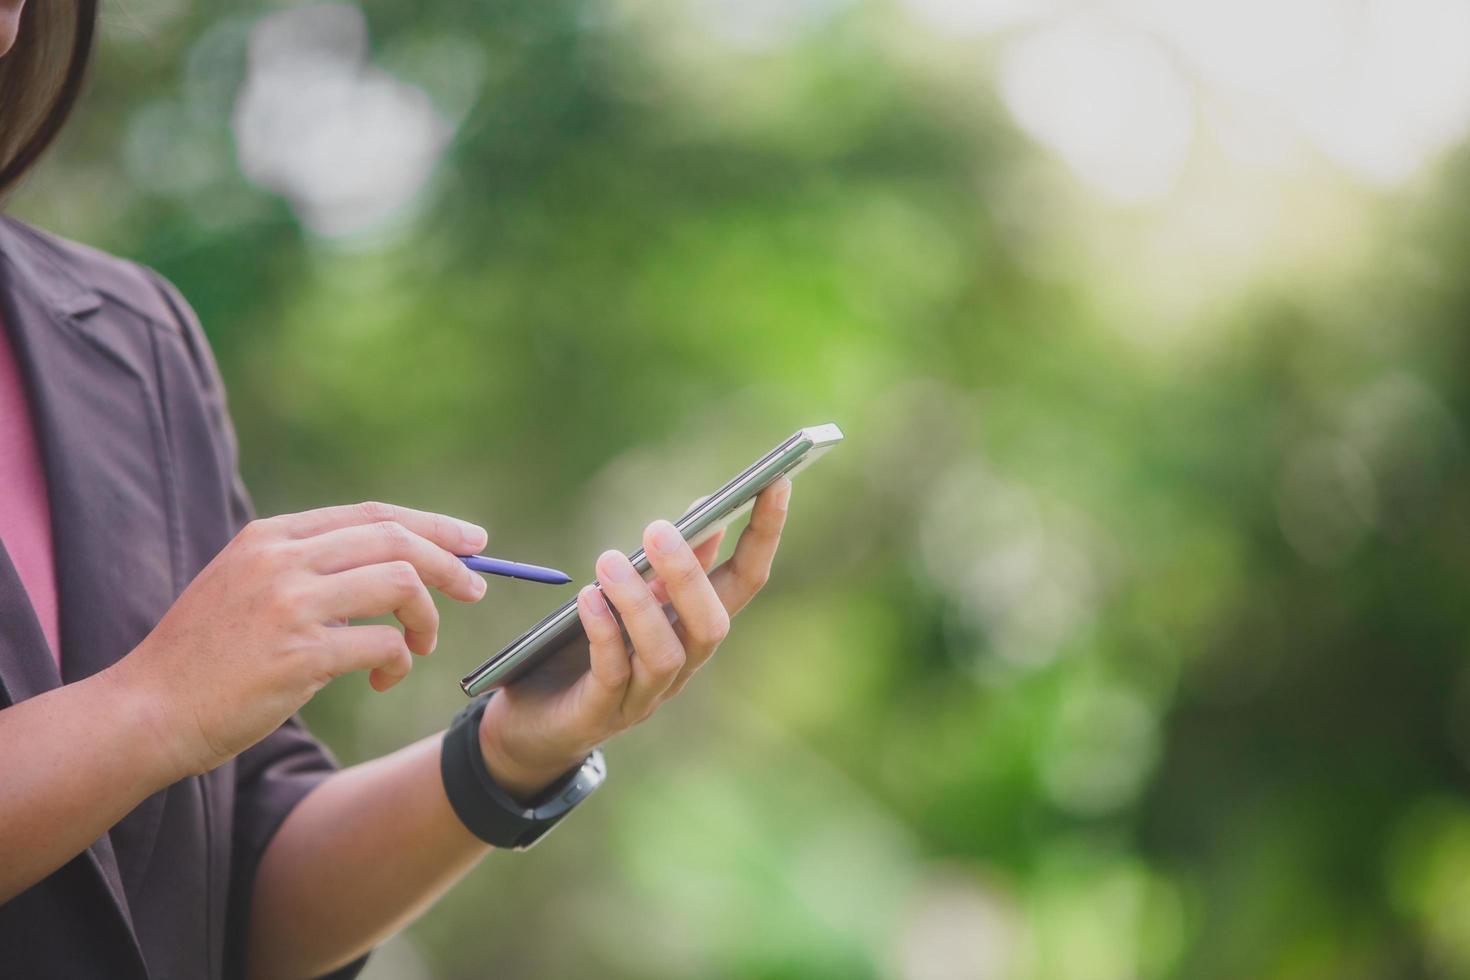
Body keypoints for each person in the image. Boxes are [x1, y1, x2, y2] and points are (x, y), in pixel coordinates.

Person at [0, 4, 793, 977]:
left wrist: (507, 756)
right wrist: (151, 704)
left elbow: (237, 907)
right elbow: (160, 716)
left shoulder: (133, 341)